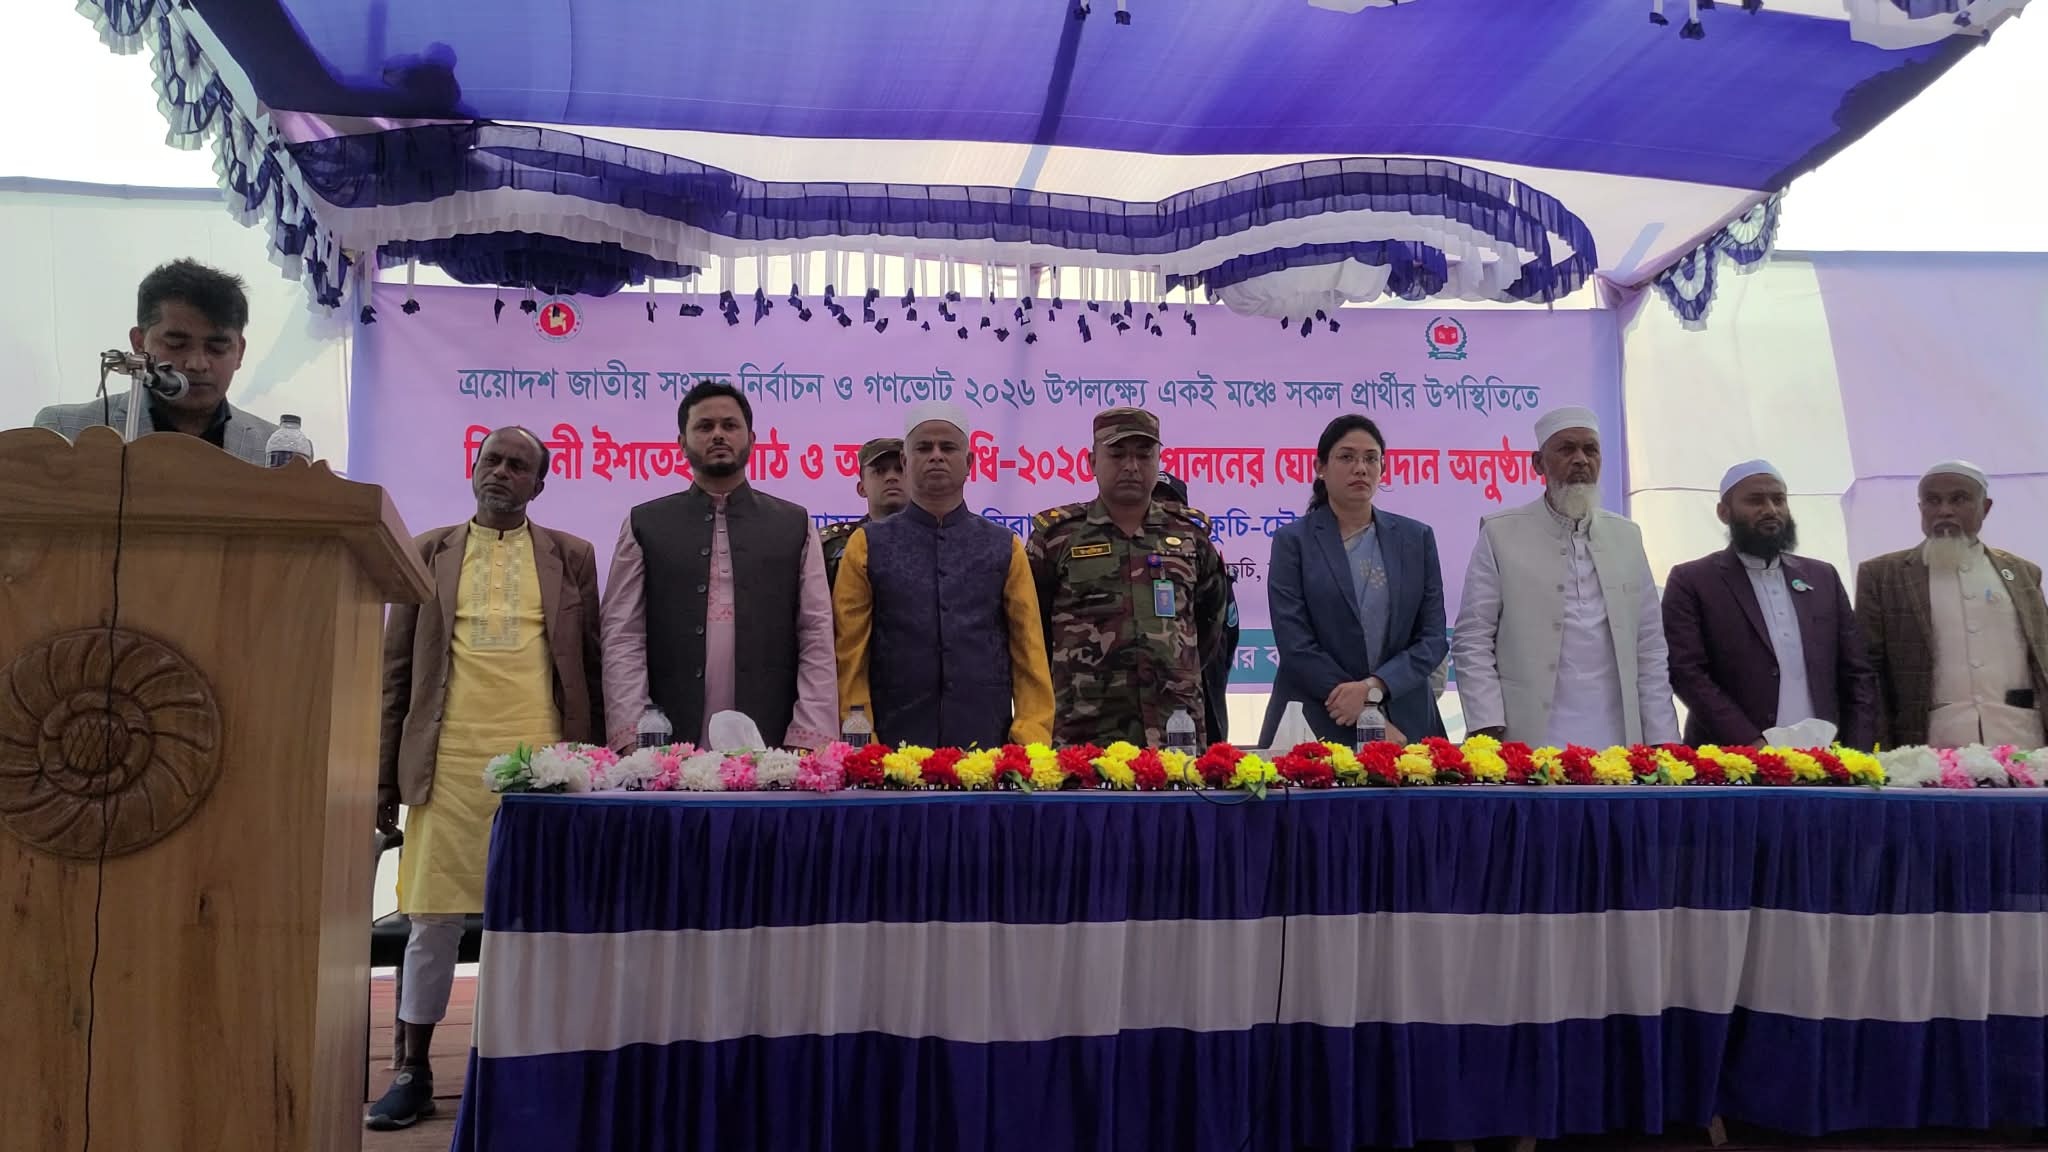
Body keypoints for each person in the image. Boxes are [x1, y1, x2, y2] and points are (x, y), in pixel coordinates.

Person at [370, 426, 603, 1130]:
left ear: (540, 483)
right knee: (432, 920)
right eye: (492, 460)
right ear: (473, 469)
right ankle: (412, 1070)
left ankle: (530, 1063)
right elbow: (396, 674)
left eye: (518, 465)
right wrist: (384, 780)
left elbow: (591, 667)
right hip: (447, 760)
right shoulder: (428, 551)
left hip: (542, 768)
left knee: (538, 918)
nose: (501, 472)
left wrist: (596, 766)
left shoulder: (572, 556)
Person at [601, 381, 836, 750]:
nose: (718, 435)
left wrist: (807, 735)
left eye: (729, 425)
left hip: (774, 740)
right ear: (682, 443)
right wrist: (635, 734)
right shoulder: (645, 523)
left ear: (752, 439)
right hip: (667, 742)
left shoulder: (793, 523)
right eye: (704, 426)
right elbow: (623, 635)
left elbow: (816, 632)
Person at [1452, 405, 1679, 748]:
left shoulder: (1626, 537)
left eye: (1591, 450)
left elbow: (1649, 645)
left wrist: (1663, 739)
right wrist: (1488, 724)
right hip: (1528, 737)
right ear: (1538, 463)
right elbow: (1473, 639)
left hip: (1618, 739)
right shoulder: (1500, 533)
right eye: (1566, 449)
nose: (1581, 460)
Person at [833, 401, 1053, 747]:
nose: (936, 456)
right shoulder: (867, 545)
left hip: (988, 751)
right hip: (890, 751)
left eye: (948, 447)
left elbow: (1030, 655)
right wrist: (861, 744)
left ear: (969, 463)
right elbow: (849, 657)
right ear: (906, 461)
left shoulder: (1004, 546)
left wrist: (1029, 742)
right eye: (924, 448)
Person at [1028, 407, 1230, 748]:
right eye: (1117, 454)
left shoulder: (1190, 536)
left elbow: (1210, 624)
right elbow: (1031, 632)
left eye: (1144, 455)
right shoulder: (1056, 538)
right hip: (1083, 730)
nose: (1131, 466)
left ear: (1159, 460)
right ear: (1092, 462)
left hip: (1173, 728)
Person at [1662, 460, 1879, 748]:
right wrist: (1750, 743)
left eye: (1778, 500)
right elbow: (1686, 671)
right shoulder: (1693, 580)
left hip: (1825, 755)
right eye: (1755, 501)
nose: (1770, 510)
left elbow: (1857, 672)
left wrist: (1858, 750)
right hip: (1732, 756)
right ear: (1724, 512)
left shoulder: (1822, 576)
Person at [1261, 415, 1447, 747]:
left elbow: (1432, 639)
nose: (1360, 468)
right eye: (1346, 457)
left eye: (1371, 458)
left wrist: (1374, 688)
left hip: (1404, 719)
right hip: (1320, 716)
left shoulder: (1416, 539)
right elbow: (1295, 643)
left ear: (1382, 468)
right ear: (1320, 467)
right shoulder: (1294, 541)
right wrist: (1363, 712)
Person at [1856, 460, 2048, 749]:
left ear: (1985, 507)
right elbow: (1869, 672)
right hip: (1928, 746)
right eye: (1933, 501)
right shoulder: (1883, 575)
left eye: (1959, 499)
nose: (1944, 510)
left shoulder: (2023, 573)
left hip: (2021, 738)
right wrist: (1880, 746)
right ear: (1921, 508)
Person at [34, 259, 277, 463]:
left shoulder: (276, 449)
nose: (197, 364)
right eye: (176, 344)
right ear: (139, 343)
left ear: (240, 352)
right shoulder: (65, 430)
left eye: (217, 348)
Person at [1154, 471, 1240, 744]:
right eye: (1155, 500)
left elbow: (1222, 639)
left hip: (1198, 704)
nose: (1163, 508)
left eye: (1171, 502)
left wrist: (1186, 665)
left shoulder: (1204, 560)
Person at [820, 437, 907, 589]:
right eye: (879, 471)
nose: (891, 477)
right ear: (861, 488)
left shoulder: (936, 541)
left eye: (900, 470)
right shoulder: (832, 546)